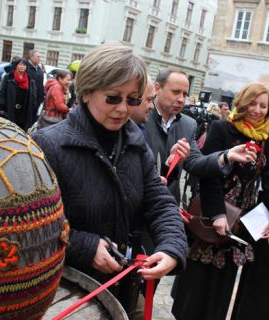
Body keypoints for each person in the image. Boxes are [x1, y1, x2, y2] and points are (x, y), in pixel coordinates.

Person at [32, 43, 187, 316]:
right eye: (113, 98)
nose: (123, 109)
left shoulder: (135, 142)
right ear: (87, 92)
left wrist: (172, 247)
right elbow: (33, 225)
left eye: (133, 99)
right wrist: (84, 246)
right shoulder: (49, 144)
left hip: (122, 286)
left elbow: (159, 201)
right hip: (66, 292)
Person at [172, 82, 269, 320]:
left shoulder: (267, 138)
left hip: (239, 223)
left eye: (263, 106)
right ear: (243, 102)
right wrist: (218, 214)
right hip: (211, 214)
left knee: (220, 292)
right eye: (253, 103)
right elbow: (208, 175)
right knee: (195, 288)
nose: (257, 110)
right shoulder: (223, 128)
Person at [145, 68, 253, 205]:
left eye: (185, 94)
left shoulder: (188, 124)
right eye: (175, 92)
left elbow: (195, 162)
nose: (181, 99)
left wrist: (226, 156)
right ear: (157, 88)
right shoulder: (141, 115)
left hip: (167, 205)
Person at [0, 57, 37, 131]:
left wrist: (33, 107)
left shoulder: (30, 80)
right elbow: (2, 92)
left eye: (24, 65)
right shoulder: (8, 77)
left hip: (24, 111)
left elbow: (33, 95)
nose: (22, 66)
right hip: (10, 109)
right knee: (8, 130)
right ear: (16, 65)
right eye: (20, 64)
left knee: (21, 131)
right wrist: (2, 107)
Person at [26, 50, 45, 121]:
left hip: (37, 100)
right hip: (27, 99)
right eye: (38, 57)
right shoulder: (26, 67)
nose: (39, 58)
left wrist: (41, 98)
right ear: (31, 57)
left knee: (33, 119)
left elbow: (41, 85)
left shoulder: (40, 70)